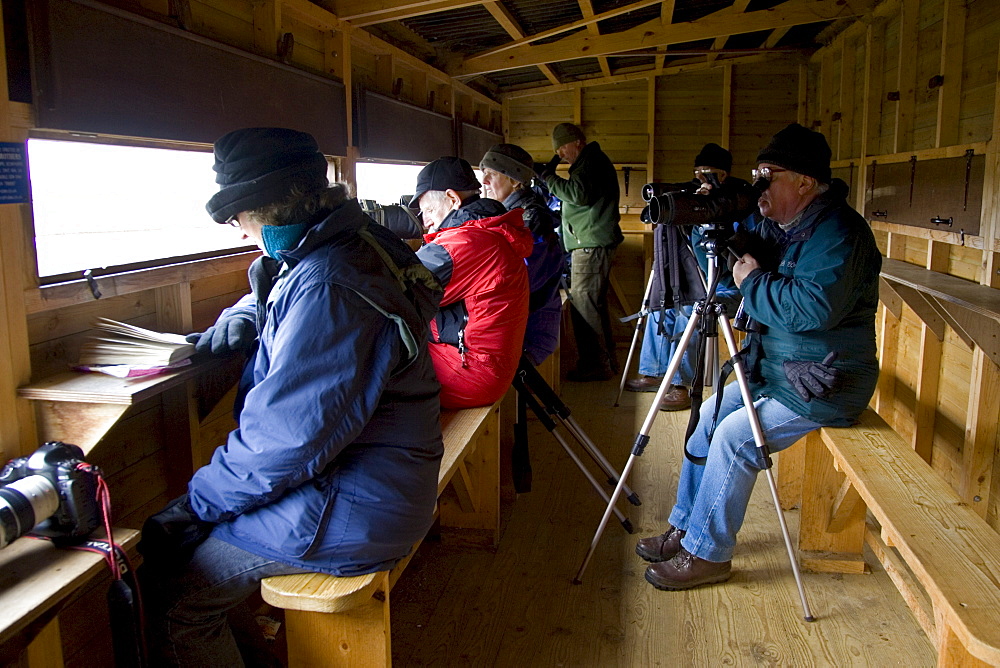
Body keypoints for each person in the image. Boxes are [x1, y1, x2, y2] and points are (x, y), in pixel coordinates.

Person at [138, 128, 445, 666]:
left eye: (238, 220)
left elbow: (285, 442)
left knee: (174, 598)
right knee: (196, 555)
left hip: (352, 504)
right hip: (378, 480)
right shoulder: (353, 241)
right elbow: (291, 288)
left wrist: (195, 506)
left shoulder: (331, 282)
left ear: (269, 208)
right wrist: (243, 312)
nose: (239, 235)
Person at [636, 124, 881, 590]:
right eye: (756, 174)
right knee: (707, 416)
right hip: (778, 370)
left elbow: (812, 308)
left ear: (805, 182)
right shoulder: (786, 226)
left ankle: (709, 555)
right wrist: (716, 229)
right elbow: (735, 263)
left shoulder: (840, 234)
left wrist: (752, 281)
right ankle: (687, 525)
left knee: (733, 438)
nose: (759, 186)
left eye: (769, 174)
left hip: (824, 382)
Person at [625, 144, 744, 411]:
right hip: (698, 281)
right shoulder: (696, 203)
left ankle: (681, 384)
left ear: (723, 175)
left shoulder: (737, 203)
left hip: (729, 285)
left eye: (708, 173)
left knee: (690, 310)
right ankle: (655, 373)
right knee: (661, 305)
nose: (700, 179)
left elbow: (733, 260)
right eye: (697, 172)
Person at [411, 156, 533, 409]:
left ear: (452, 199)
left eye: (429, 210)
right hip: (488, 363)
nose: (425, 221)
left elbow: (398, 290)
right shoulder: (489, 230)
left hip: (470, 372)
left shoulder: (464, 244)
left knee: (372, 365)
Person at [540, 122, 623, 381]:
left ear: (577, 142)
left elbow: (578, 194)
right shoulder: (588, 162)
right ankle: (606, 360)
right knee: (592, 305)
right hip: (590, 242)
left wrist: (548, 177)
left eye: (562, 147)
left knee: (584, 306)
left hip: (590, 245)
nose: (561, 153)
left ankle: (596, 365)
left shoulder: (590, 163)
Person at [480, 143, 564, 366]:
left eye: (492, 174)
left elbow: (522, 281)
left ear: (515, 180)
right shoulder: (509, 214)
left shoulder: (530, 221)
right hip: (526, 321)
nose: (484, 182)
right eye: (483, 173)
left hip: (532, 330)